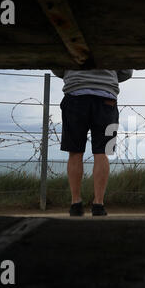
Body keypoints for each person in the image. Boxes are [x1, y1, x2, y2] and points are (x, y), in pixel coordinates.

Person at [52, 69, 133, 217]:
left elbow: (57, 66)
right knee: (102, 152)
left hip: (75, 95)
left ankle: (76, 204)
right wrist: (108, 77)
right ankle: (98, 205)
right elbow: (127, 71)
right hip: (106, 97)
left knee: (75, 152)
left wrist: (72, 74)